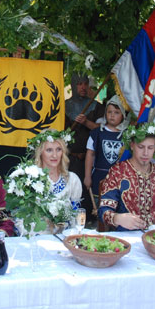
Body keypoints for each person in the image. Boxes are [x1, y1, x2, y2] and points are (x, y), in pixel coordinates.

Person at [98, 123, 155, 231]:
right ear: (132, 145)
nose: (145, 153)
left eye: (150, 148)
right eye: (141, 147)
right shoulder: (118, 172)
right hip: (127, 236)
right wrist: (117, 218)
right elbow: (103, 211)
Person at [65, 73, 105, 222]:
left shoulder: (96, 107)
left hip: (91, 158)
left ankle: (89, 221)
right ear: (73, 86)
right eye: (79, 84)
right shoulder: (64, 106)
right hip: (71, 158)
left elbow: (103, 128)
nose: (83, 87)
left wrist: (87, 122)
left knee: (88, 193)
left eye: (85, 84)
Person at [84, 96, 129, 199]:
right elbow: (90, 154)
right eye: (109, 112)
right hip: (99, 177)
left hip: (120, 179)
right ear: (105, 113)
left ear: (122, 115)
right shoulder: (97, 133)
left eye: (116, 112)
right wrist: (87, 176)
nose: (112, 115)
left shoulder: (127, 135)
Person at [30, 129, 82, 208]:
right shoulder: (30, 180)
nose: (55, 155)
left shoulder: (72, 180)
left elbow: (76, 212)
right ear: (40, 152)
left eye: (58, 149)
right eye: (49, 150)